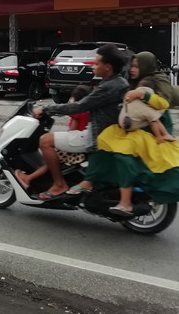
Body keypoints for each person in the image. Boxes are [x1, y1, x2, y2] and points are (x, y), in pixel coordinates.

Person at [81, 51, 179, 217]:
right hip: (138, 124)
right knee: (102, 141)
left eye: (137, 66)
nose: (132, 69)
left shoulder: (156, 80)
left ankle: (124, 202)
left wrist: (141, 94)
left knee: (122, 155)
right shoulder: (132, 81)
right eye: (132, 65)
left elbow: (163, 102)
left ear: (146, 66)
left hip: (148, 128)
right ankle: (92, 182)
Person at [31, 44, 129, 200]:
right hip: (109, 135)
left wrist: (46, 109)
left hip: (96, 137)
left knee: (45, 141)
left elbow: (79, 107)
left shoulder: (108, 87)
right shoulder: (121, 83)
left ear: (108, 67)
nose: (93, 66)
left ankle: (59, 184)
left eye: (96, 63)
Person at [15, 84, 91, 190]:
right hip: (84, 143)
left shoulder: (77, 112)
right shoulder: (89, 111)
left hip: (77, 145)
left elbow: (72, 131)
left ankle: (29, 178)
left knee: (50, 155)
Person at [119, 76, 175, 143]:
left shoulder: (130, 94)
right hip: (131, 125)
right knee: (153, 119)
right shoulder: (144, 108)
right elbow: (155, 117)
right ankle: (162, 135)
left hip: (121, 120)